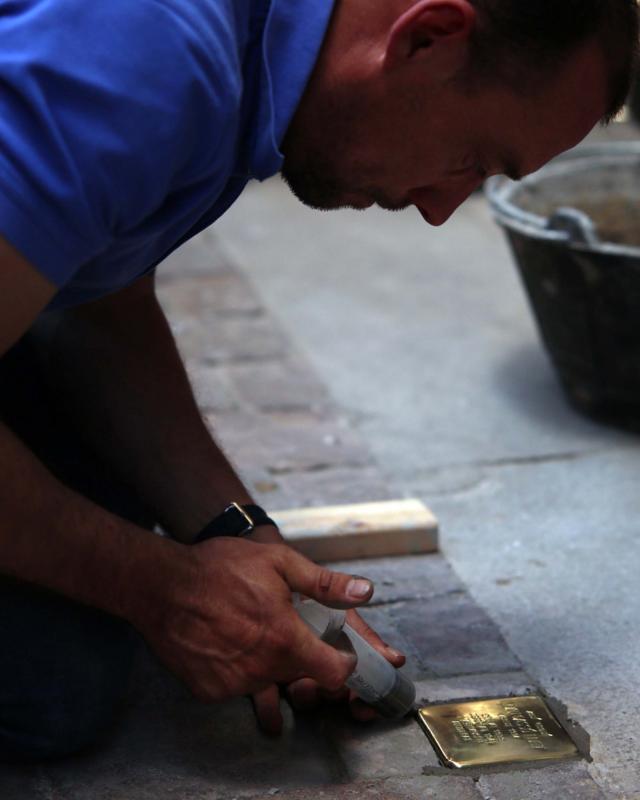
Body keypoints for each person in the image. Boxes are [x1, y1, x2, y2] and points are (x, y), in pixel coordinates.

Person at [0, 0, 637, 762]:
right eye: (473, 158)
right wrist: (161, 589)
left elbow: (98, 295)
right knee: (52, 683)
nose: (440, 210)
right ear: (427, 38)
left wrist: (236, 538)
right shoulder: (147, 65)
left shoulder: (245, 62)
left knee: (107, 517)